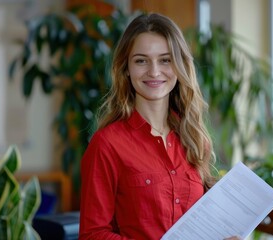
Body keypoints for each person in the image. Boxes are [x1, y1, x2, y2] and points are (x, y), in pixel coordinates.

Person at [79, 13, 240, 240]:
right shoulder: (107, 144)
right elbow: (92, 235)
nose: (154, 71)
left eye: (165, 60)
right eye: (141, 60)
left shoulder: (194, 139)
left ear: (179, 66)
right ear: (126, 68)